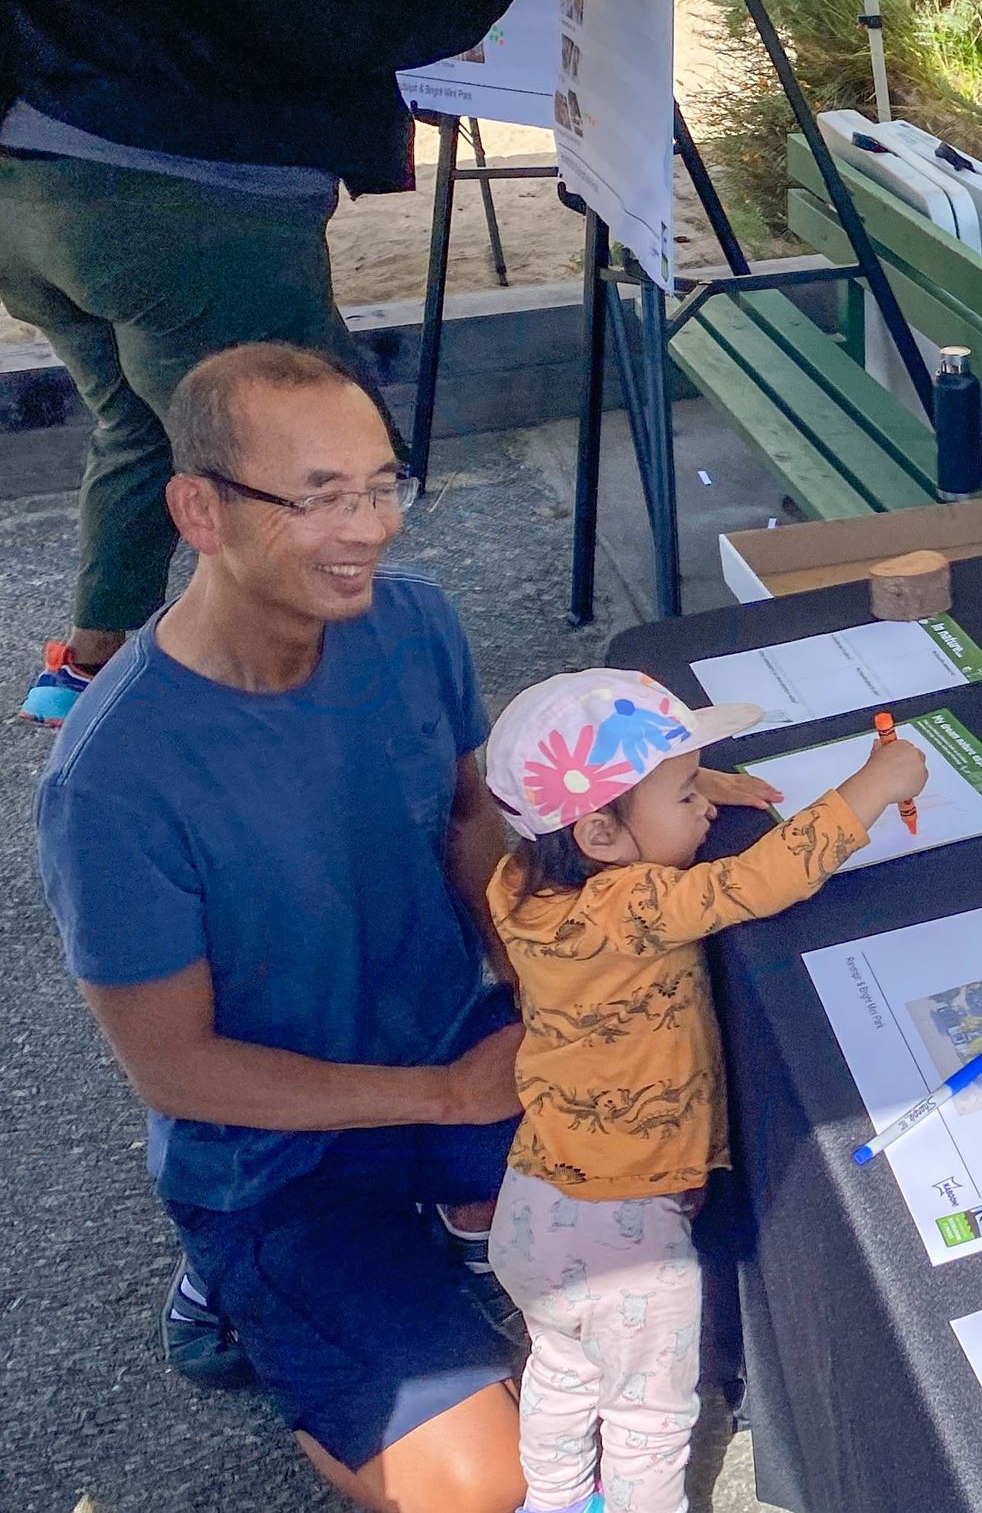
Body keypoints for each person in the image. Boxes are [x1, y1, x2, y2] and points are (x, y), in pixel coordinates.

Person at [37, 345, 718, 1509]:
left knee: (688, 1172)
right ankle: (236, 1280)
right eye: (316, 498)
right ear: (198, 508)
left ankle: (457, 1210)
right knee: (485, 1487)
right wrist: (448, 1096)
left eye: (381, 485)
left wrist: (546, 988)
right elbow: (175, 1067)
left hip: (456, 1051)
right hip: (275, 1157)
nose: (368, 530)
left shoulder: (415, 626)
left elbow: (467, 824)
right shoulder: (108, 781)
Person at [0, 0, 586, 723]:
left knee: (143, 424)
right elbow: (349, 25)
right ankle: (313, 690)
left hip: (28, 213)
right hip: (175, 222)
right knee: (297, 453)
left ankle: (81, 666)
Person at [482, 671, 928, 1513]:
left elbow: (608, 818)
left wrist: (701, 783)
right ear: (604, 833)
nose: (704, 811)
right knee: (650, 1415)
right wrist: (877, 783)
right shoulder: (635, 901)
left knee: (564, 1372)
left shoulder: (520, 886)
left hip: (535, 1210)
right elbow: (762, 880)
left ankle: (553, 1500)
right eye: (685, 794)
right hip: (626, 1240)